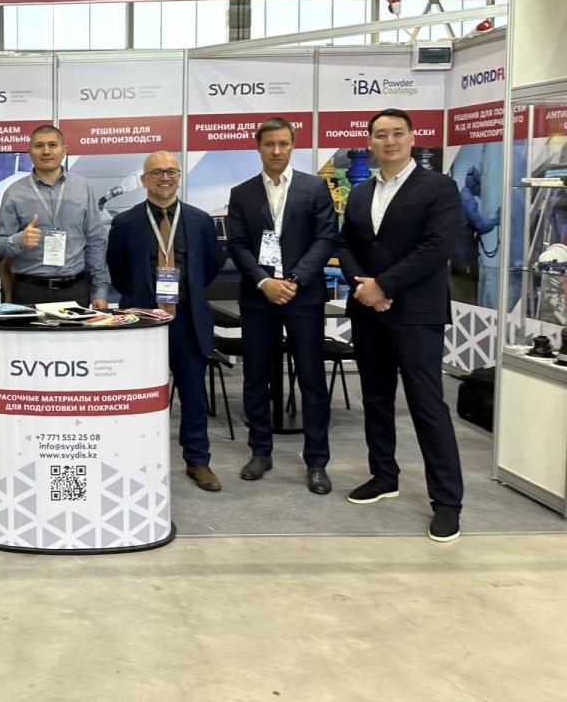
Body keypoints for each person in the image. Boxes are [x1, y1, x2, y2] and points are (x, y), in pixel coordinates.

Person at [337, 107, 465, 542]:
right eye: (380, 134)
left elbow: (437, 246)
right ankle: (383, 476)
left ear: (411, 138)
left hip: (415, 315)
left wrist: (384, 285)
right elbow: (346, 243)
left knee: (427, 405)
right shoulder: (360, 193)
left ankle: (446, 502)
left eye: (396, 133)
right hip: (368, 312)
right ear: (369, 142)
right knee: (376, 398)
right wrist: (363, 285)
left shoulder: (438, 187)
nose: (388, 141)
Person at [226, 117, 338, 494]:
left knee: (311, 378)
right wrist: (265, 282)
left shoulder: (314, 187)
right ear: (258, 147)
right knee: (256, 377)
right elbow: (237, 244)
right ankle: (260, 452)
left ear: (293, 145)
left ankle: (317, 461)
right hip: (259, 296)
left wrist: (293, 280)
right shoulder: (241, 193)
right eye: (269, 144)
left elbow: (326, 238)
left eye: (283, 144)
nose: (276, 151)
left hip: (302, 296)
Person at [106, 151, 222, 491]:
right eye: (157, 172)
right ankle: (135, 460)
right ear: (144, 180)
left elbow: (209, 267)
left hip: (187, 320)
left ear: (179, 176)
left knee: (194, 395)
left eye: (171, 171)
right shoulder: (125, 222)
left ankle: (198, 461)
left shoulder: (200, 221)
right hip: (142, 323)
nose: (165, 178)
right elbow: (118, 271)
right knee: (137, 396)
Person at [0, 125, 110, 308]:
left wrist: (100, 290)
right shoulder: (14, 193)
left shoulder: (82, 187)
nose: (46, 151)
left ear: (64, 150)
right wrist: (19, 240)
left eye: (52, 145)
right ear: (30, 152)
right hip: (29, 290)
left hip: (76, 289)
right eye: (39, 146)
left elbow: (96, 240)